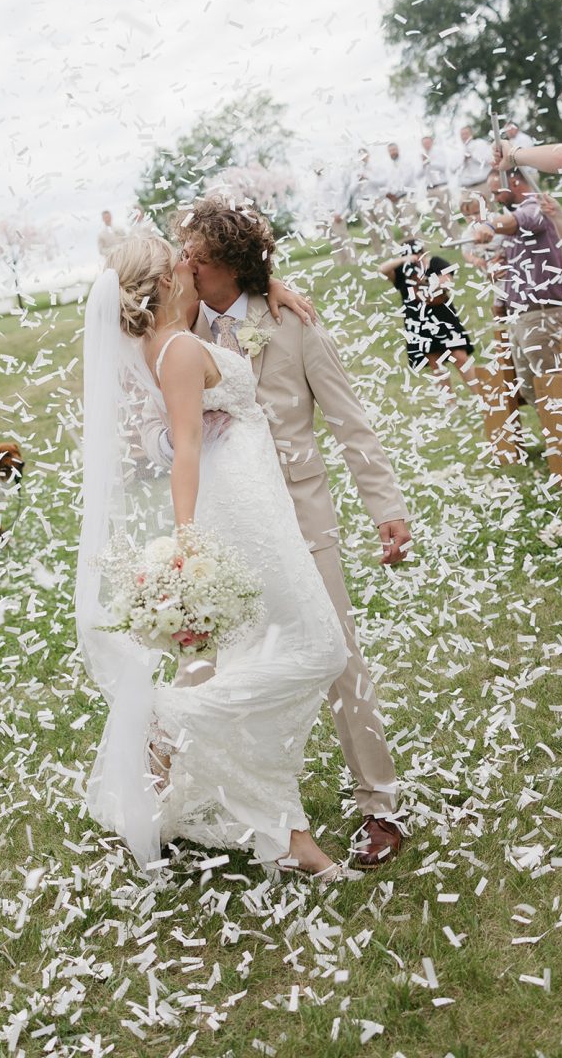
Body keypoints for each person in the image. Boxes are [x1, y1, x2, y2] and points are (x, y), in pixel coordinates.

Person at [77, 231, 373, 882]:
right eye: (178, 255)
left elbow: (221, 303)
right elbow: (184, 447)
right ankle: (167, 719)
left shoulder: (166, 335)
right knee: (318, 648)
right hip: (241, 509)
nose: (189, 259)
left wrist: (269, 284)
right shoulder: (180, 348)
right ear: (166, 281)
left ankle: (284, 831)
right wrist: (189, 544)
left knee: (271, 656)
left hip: (256, 496)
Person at [144, 198, 412, 869]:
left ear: (226, 266)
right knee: (200, 663)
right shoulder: (178, 326)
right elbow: (153, 424)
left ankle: (380, 805)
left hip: (300, 518)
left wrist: (386, 506)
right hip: (225, 523)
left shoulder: (292, 321)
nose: (186, 262)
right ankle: (157, 804)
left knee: (337, 659)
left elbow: (349, 420)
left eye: (197, 256)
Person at [472, 169, 562, 405]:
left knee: (554, 387)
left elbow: (520, 219)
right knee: (531, 390)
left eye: (497, 192)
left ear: (514, 182)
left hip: (539, 314)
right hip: (520, 316)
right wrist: (499, 280)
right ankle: (552, 429)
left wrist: (491, 225)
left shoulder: (537, 207)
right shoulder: (513, 220)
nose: (495, 198)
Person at [379, 241, 478, 406]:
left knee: (459, 357)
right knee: (435, 363)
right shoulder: (402, 270)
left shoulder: (436, 263)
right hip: (418, 322)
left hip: (444, 318)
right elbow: (382, 269)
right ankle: (450, 404)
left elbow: (446, 281)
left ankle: (480, 395)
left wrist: (423, 279)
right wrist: (404, 261)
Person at [353, 148, 387, 257]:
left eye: (364, 155)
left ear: (368, 155)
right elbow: (352, 190)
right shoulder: (356, 171)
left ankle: (391, 249)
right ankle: (378, 253)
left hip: (377, 200)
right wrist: (358, 181)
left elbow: (382, 182)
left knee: (384, 226)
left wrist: (368, 177)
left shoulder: (376, 167)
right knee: (370, 229)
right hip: (364, 203)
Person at [420, 135, 455, 239]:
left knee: (448, 214)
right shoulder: (421, 156)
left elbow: (444, 167)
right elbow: (418, 175)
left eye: (428, 142)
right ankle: (448, 240)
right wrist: (422, 164)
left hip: (441, 187)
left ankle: (457, 237)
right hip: (429, 190)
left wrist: (429, 161)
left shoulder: (439, 152)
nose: (426, 145)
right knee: (439, 217)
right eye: (424, 143)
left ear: (432, 142)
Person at [383, 142, 419, 240]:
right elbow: (388, 182)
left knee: (411, 224)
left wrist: (393, 193)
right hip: (395, 200)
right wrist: (388, 193)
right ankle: (411, 247)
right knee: (403, 226)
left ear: (398, 150)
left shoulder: (406, 162)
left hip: (406, 197)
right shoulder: (389, 166)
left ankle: (421, 246)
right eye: (390, 151)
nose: (392, 152)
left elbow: (406, 180)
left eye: (394, 150)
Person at [457, 125, 493, 203]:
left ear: (471, 134)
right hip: (467, 189)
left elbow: (489, 160)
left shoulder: (480, 143)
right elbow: (453, 169)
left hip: (483, 184)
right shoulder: (458, 150)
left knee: (489, 209)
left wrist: (472, 156)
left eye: (466, 134)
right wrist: (463, 160)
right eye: (462, 134)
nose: (464, 136)